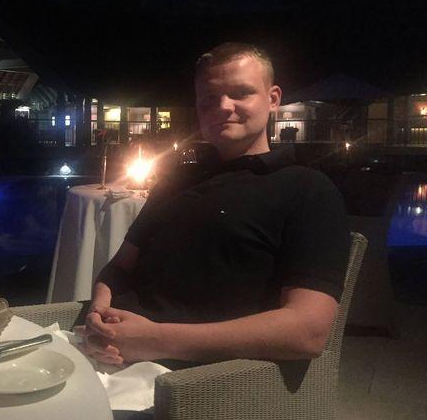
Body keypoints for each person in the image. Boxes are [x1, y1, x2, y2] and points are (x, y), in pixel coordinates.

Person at [76, 42, 350, 372]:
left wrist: (154, 340)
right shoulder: (176, 181)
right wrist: (99, 312)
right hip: (108, 354)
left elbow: (308, 331)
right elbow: (120, 268)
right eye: (209, 98)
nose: (222, 106)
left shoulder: (306, 189)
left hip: (187, 380)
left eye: (241, 93)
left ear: (273, 98)